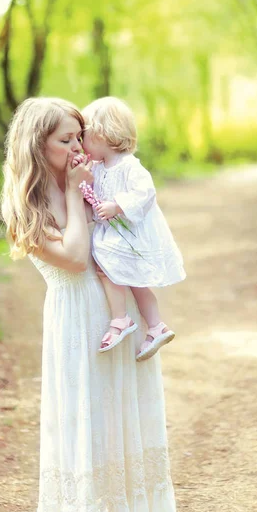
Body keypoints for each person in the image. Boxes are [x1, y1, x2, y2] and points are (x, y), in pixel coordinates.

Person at [0, 96, 183, 512]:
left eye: (80, 135)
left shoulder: (93, 177)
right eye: (66, 139)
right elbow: (76, 257)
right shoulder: (27, 204)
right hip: (77, 327)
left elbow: (135, 216)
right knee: (89, 440)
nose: (78, 146)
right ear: (37, 146)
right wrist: (78, 196)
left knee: (127, 430)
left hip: (120, 320)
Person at [76, 96, 186, 361]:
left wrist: (117, 205)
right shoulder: (99, 167)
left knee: (107, 269)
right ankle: (156, 326)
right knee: (134, 283)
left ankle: (120, 319)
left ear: (101, 135)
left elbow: (145, 192)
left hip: (128, 233)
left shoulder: (128, 166)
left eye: (84, 137)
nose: (81, 144)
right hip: (115, 232)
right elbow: (91, 194)